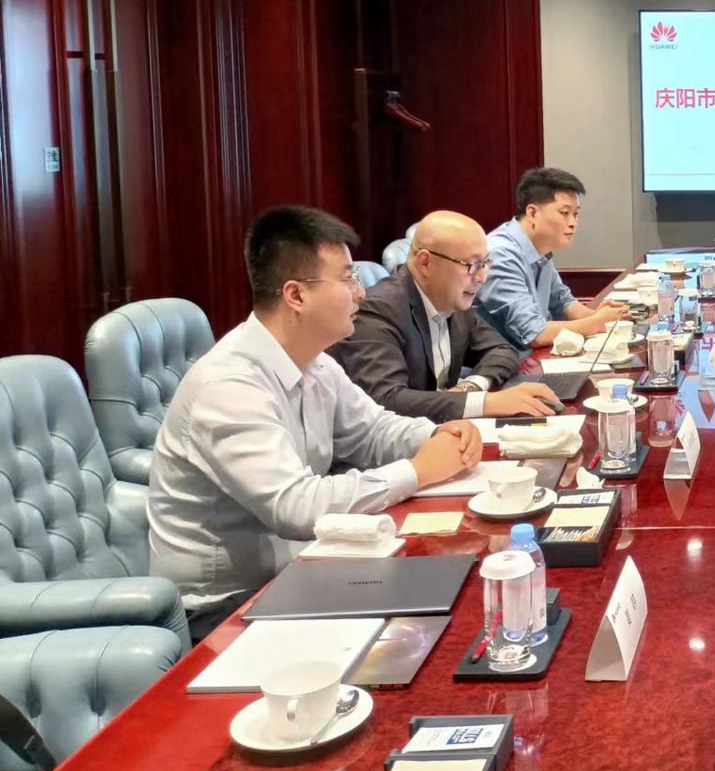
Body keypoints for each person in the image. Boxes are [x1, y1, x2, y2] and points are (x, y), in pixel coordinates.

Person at [149, 207, 484, 640]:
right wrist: (418, 470)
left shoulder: (315, 362)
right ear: (296, 295)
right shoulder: (228, 386)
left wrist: (437, 435)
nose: (360, 293)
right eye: (347, 279)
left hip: (304, 569)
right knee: (423, 633)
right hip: (224, 609)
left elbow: (372, 431)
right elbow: (295, 507)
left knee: (454, 594)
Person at [334, 210, 560, 422]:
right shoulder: (378, 310)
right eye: (472, 265)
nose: (481, 277)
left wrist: (471, 387)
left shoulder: (452, 299)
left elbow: (501, 350)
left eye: (485, 264)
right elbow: (387, 400)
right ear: (425, 262)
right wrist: (484, 403)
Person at [476, 167, 630, 349]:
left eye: (576, 214)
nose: (573, 223)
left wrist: (598, 315)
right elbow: (534, 333)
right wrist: (596, 322)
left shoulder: (540, 248)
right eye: (564, 213)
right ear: (533, 213)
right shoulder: (501, 255)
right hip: (504, 362)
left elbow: (562, 303)